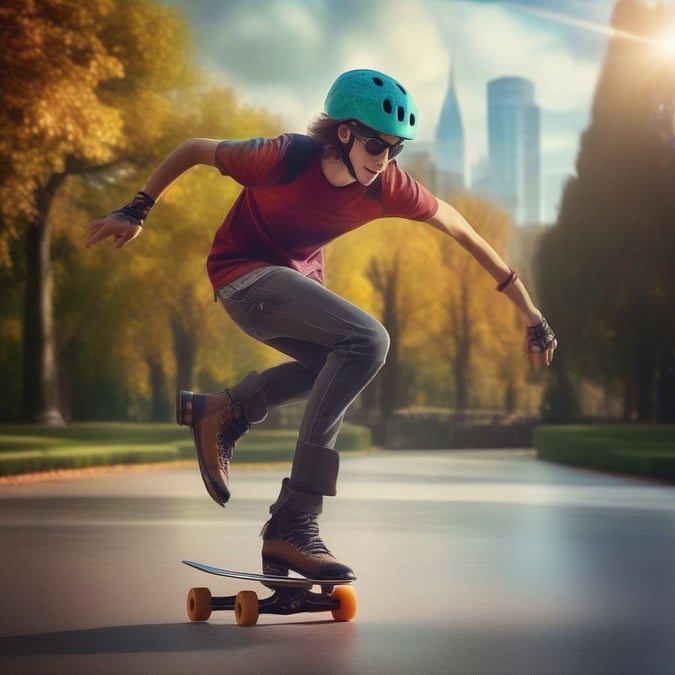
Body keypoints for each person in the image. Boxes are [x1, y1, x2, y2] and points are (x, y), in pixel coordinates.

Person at [85, 69, 557, 581]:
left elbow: (462, 229)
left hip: (284, 293)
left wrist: (531, 314)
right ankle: (294, 520)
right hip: (241, 279)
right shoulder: (282, 156)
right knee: (370, 339)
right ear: (346, 133)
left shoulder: (389, 186)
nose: (385, 162)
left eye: (396, 150)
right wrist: (137, 209)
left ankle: (225, 410)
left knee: (340, 363)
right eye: (377, 146)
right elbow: (196, 148)